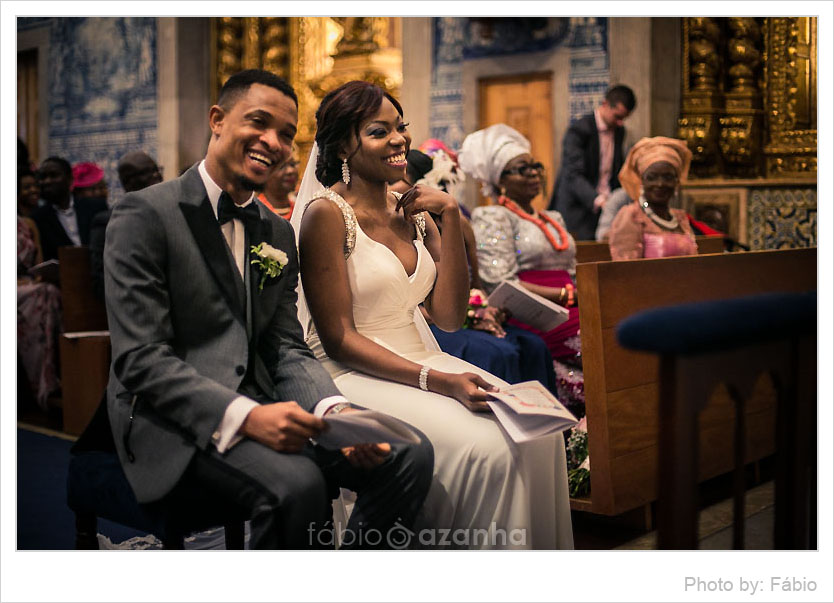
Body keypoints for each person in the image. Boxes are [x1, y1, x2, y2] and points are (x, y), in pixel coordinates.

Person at [103, 69, 432, 549]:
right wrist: (245, 414)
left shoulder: (276, 234)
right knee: (299, 484)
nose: (272, 141)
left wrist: (336, 410)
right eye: (258, 122)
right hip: (170, 417)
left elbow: (285, 345)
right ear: (217, 120)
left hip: (266, 397)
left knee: (406, 451)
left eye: (285, 133)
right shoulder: (146, 215)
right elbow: (141, 360)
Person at [293, 81, 573, 549]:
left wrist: (449, 218)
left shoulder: (414, 211)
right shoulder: (327, 214)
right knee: (489, 453)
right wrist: (439, 381)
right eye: (380, 131)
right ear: (344, 143)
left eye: (401, 128)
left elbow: (446, 316)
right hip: (352, 371)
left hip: (423, 355)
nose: (400, 139)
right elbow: (339, 338)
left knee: (540, 437)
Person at [393, 148, 557, 390]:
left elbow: (476, 285)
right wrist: (471, 315)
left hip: (461, 314)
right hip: (430, 321)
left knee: (534, 346)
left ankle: (548, 423)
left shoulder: (458, 224)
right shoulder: (400, 226)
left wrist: (486, 309)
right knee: (499, 353)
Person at [550, 84, 636, 240]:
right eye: (617, 116)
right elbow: (573, 174)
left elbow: (616, 169)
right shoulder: (579, 130)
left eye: (624, 118)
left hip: (605, 206)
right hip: (578, 207)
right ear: (605, 104)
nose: (620, 123)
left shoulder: (619, 131)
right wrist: (598, 200)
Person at [608, 136, 699, 261]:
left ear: (677, 182)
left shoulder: (679, 219)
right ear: (641, 181)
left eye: (668, 177)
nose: (660, 184)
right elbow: (626, 273)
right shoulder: (632, 216)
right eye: (651, 177)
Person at [89, 151, 163, 300]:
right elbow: (101, 279)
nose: (157, 176)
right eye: (147, 173)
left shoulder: (168, 212)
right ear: (128, 183)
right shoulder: (107, 221)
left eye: (157, 170)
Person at [18, 172, 62, 409]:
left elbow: (38, 263)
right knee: (41, 294)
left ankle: (56, 379)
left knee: (50, 291)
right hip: (18, 290)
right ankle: (43, 386)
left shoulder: (28, 223)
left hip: (31, 285)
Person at [32, 156, 107, 260]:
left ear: (70, 179)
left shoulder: (96, 207)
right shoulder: (37, 218)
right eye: (43, 177)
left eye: (53, 175)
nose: (47, 181)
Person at [258, 153, 299, 219]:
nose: (290, 171)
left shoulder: (300, 208)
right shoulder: (256, 211)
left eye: (292, 165)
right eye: (281, 166)